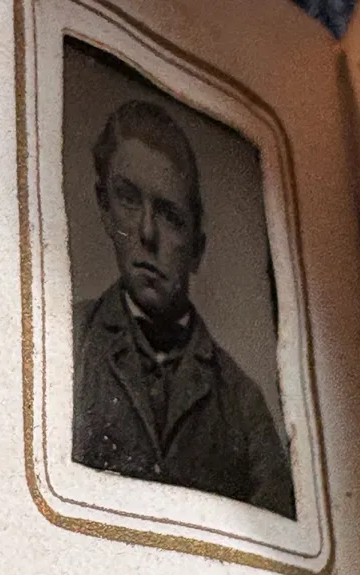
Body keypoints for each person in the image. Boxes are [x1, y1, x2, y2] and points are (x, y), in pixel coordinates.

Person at [71, 99, 295, 519]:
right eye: (129, 199)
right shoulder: (65, 342)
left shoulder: (243, 404)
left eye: (170, 216)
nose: (147, 232)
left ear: (197, 248)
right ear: (104, 207)